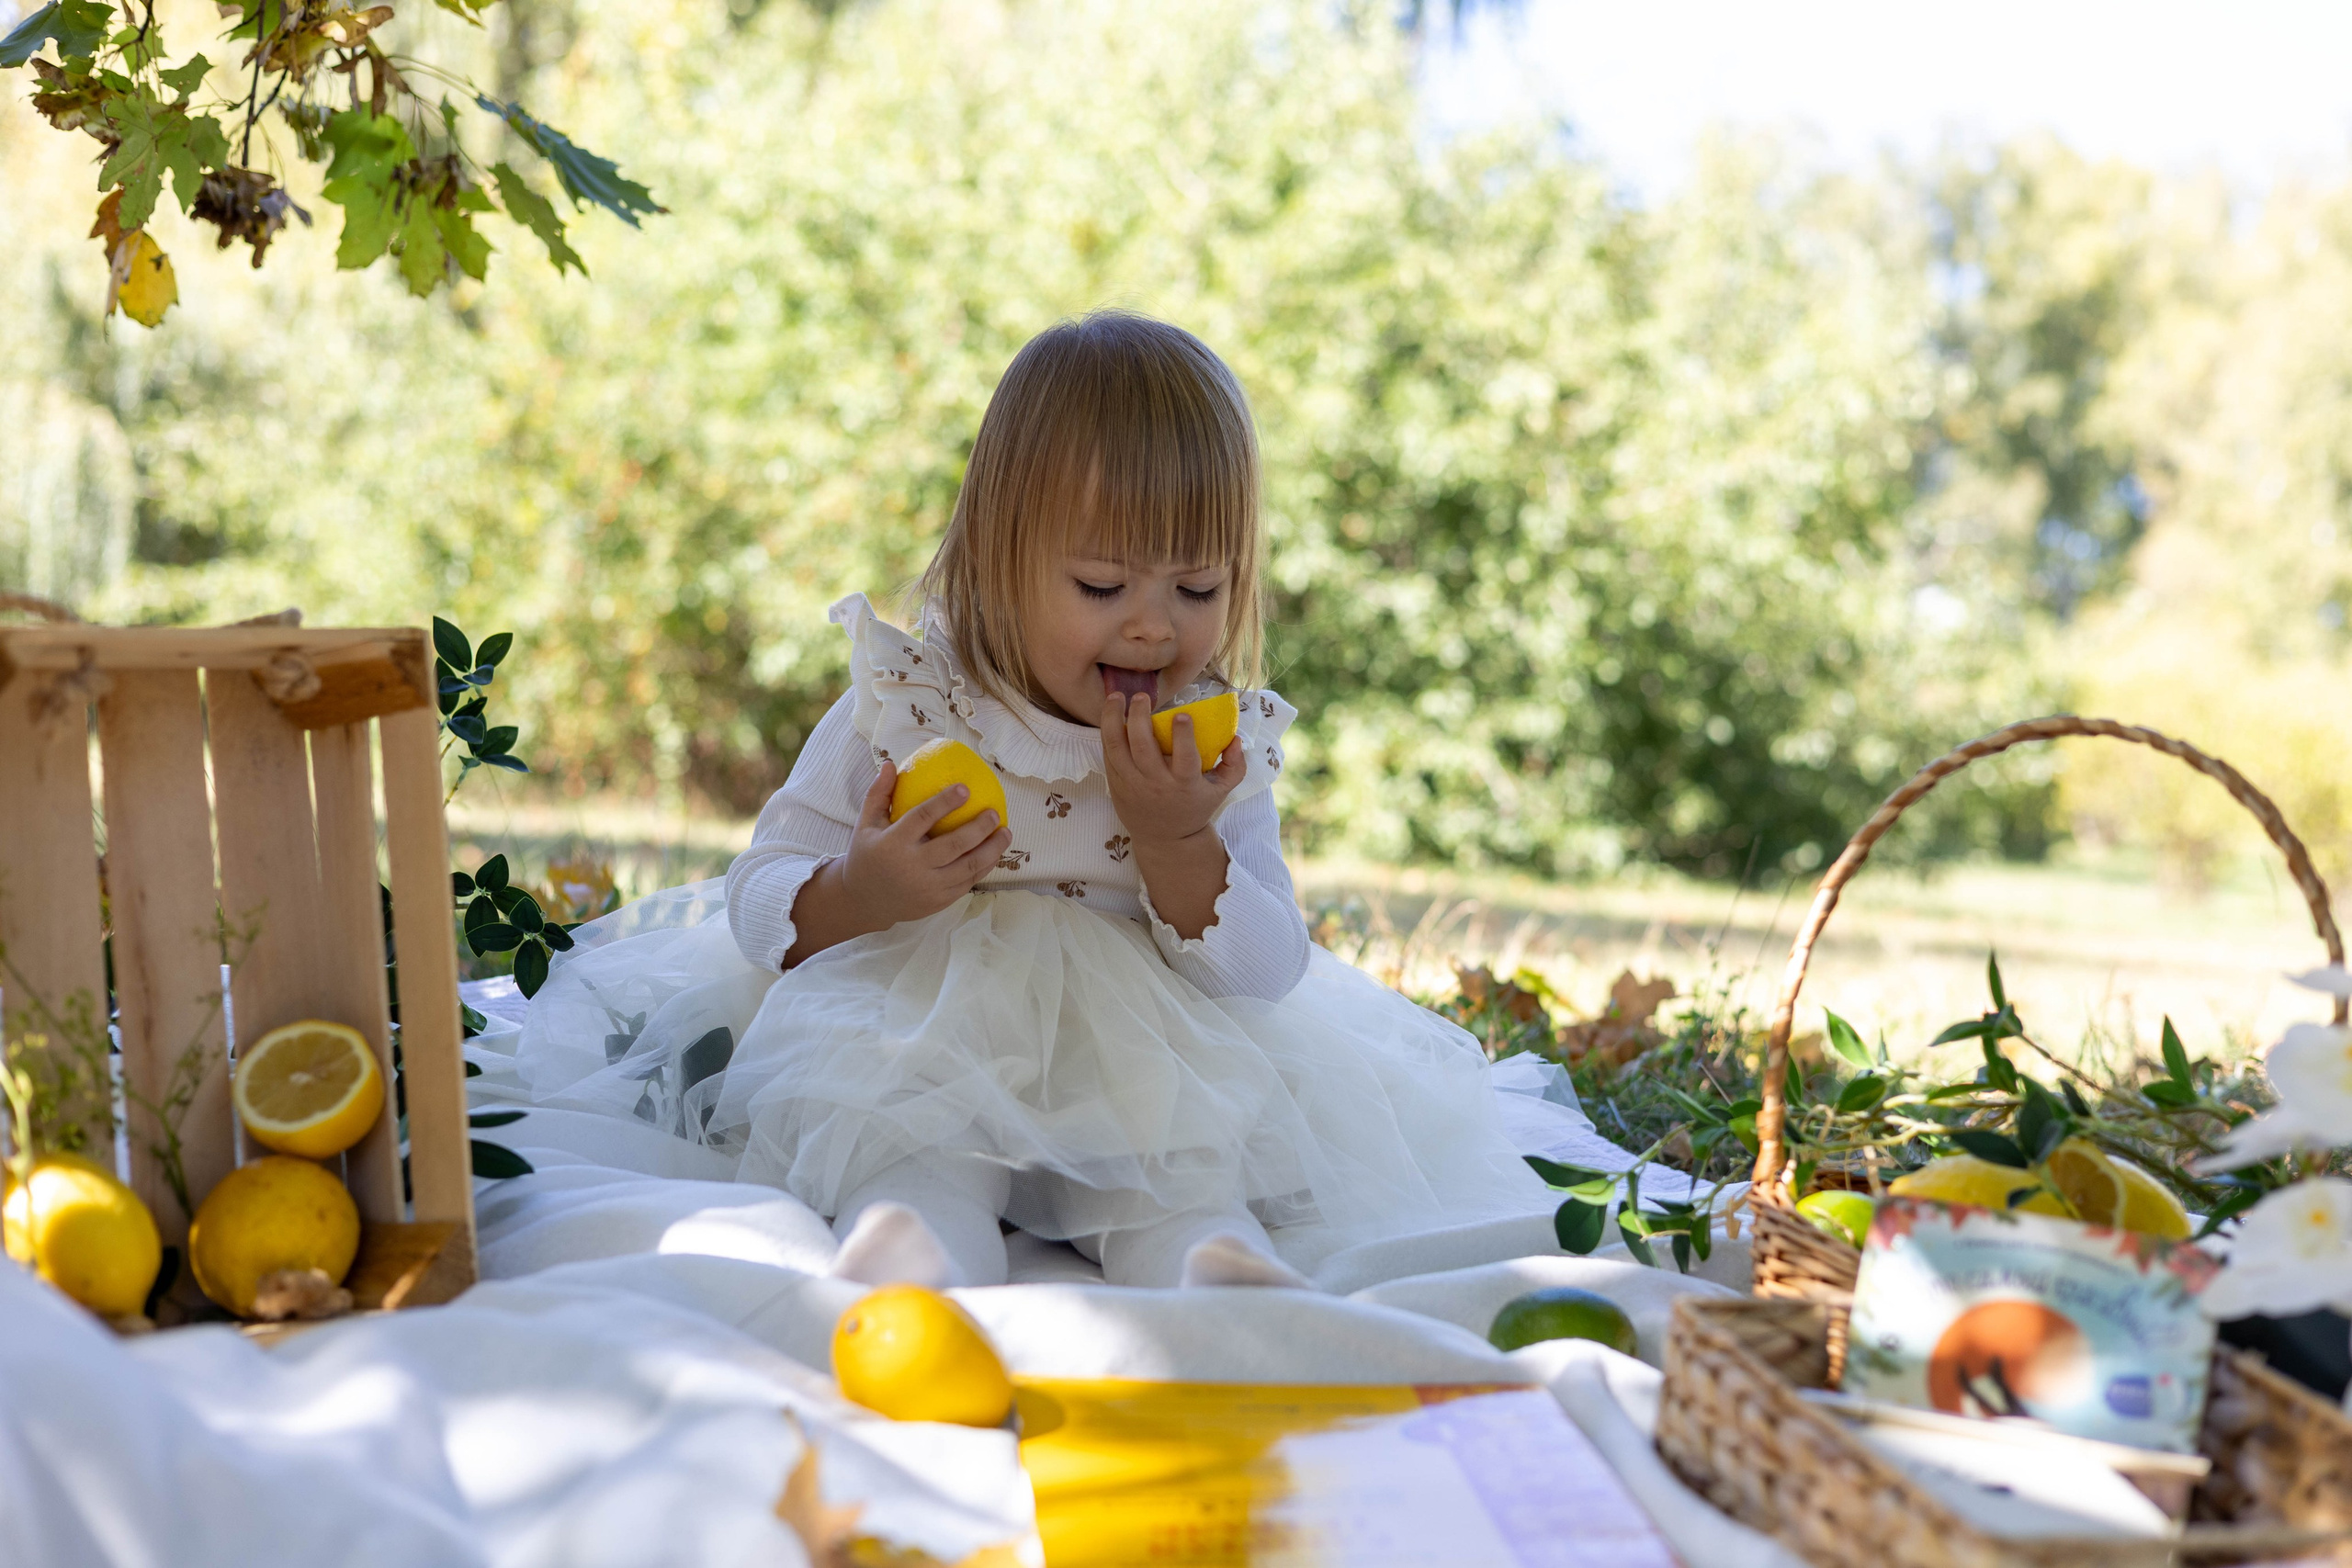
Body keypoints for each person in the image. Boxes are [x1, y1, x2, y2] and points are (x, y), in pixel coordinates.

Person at [511, 310, 1568, 1289]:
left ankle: (1215, 1278)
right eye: (1103, 588)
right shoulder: (914, 702)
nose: (1154, 629)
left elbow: (1264, 968)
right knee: (910, 1162)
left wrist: (1178, 842)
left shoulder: (1204, 747)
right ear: (998, 557)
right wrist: (860, 889)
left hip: (1139, 1060)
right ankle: (910, 1255)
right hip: (916, 1037)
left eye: (1197, 590)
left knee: (1176, 1184)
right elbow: (757, 899)